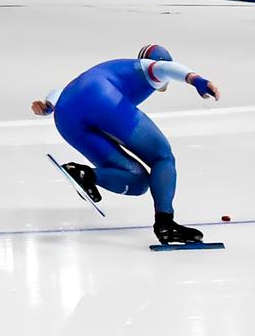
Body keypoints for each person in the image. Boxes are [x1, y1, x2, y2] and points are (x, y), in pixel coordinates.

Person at [33, 44, 219, 246]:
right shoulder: (148, 69)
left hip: (66, 116)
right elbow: (165, 69)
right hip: (101, 99)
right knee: (162, 156)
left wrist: (48, 106)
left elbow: (63, 92)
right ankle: (166, 224)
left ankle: (85, 175)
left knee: (138, 182)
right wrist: (196, 80)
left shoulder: (116, 69)